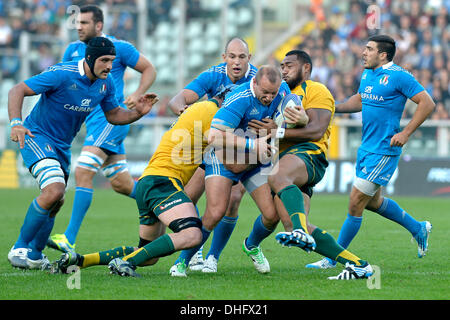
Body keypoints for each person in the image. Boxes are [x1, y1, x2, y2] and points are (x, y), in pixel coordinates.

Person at [51, 86, 245, 277]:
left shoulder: (201, 108)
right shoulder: (213, 115)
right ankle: (125, 263)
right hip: (163, 181)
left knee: (147, 255)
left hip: (149, 180)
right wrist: (263, 146)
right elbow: (232, 164)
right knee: (192, 234)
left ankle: (81, 260)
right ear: (227, 102)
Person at [7, 37, 159, 270]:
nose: (109, 66)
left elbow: (114, 115)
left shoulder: (105, 84)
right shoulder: (62, 73)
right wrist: (16, 123)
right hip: (37, 136)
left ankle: (35, 256)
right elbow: (18, 89)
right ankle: (19, 247)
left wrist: (138, 113)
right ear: (89, 58)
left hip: (62, 146)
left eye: (112, 61)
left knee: (57, 200)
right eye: (104, 60)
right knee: (54, 190)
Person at [307, 35, 435, 270]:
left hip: (384, 150)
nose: (363, 52)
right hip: (366, 148)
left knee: (355, 203)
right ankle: (418, 228)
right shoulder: (368, 73)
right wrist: (330, 108)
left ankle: (333, 258)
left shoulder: (399, 75)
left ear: (383, 54)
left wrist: (405, 133)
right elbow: (360, 100)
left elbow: (427, 103)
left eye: (369, 49)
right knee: (373, 202)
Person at [47, 5, 156, 253]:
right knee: (122, 184)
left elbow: (149, 68)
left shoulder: (119, 48)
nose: (78, 27)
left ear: (98, 26)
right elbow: (64, 83)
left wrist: (137, 94)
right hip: (91, 122)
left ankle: (69, 239)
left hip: (111, 120)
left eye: (84, 23)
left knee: (83, 171)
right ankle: (168, 204)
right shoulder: (72, 50)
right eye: (77, 22)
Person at [169, 65, 290, 277]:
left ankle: (251, 245)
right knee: (215, 213)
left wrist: (278, 129)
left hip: (253, 159)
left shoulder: (283, 92)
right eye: (265, 93)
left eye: (273, 93)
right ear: (254, 84)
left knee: (271, 215)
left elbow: (299, 116)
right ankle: (181, 262)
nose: (270, 98)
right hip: (222, 156)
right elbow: (214, 136)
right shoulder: (239, 98)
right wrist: (255, 145)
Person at [267, 49, 374, 280]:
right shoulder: (281, 94)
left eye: (289, 65)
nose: (283, 70)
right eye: (282, 66)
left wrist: (277, 131)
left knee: (276, 177)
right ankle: (358, 264)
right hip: (291, 163)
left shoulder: (317, 90)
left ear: (306, 68)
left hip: (310, 154)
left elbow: (316, 130)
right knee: (291, 224)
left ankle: (260, 242)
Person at [168, 37, 257, 272]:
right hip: (210, 144)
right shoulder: (213, 75)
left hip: (239, 146)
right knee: (188, 197)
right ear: (224, 58)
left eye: (242, 57)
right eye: (232, 56)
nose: (236, 62)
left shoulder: (257, 80)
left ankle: (212, 257)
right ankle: (194, 249)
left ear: (250, 58)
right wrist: (181, 109)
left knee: (233, 201)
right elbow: (178, 99)